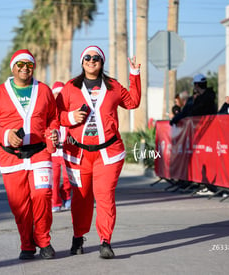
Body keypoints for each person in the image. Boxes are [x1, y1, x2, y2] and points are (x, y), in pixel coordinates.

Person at [55, 45, 141, 259]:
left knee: (104, 196)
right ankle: (78, 236)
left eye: (96, 58)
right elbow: (55, 114)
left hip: (108, 153)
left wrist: (135, 75)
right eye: (87, 57)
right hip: (78, 154)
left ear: (102, 62)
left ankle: (105, 241)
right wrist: (69, 118)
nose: (91, 60)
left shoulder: (112, 86)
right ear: (81, 61)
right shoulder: (70, 88)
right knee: (81, 198)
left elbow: (133, 102)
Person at [0, 49, 59, 260]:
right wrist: (5, 135)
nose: (25, 68)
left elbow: (53, 117)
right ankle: (27, 243)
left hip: (39, 152)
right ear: (13, 67)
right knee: (20, 205)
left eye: (29, 65)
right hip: (11, 156)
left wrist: (53, 132)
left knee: (42, 196)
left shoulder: (43, 90)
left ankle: (43, 241)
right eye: (21, 64)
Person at [50, 81, 72, 213]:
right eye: (56, 93)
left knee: (68, 178)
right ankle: (55, 203)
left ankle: (67, 196)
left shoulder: (70, 112)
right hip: (53, 153)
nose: (58, 95)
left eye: (61, 93)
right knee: (54, 179)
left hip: (67, 151)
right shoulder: (50, 111)